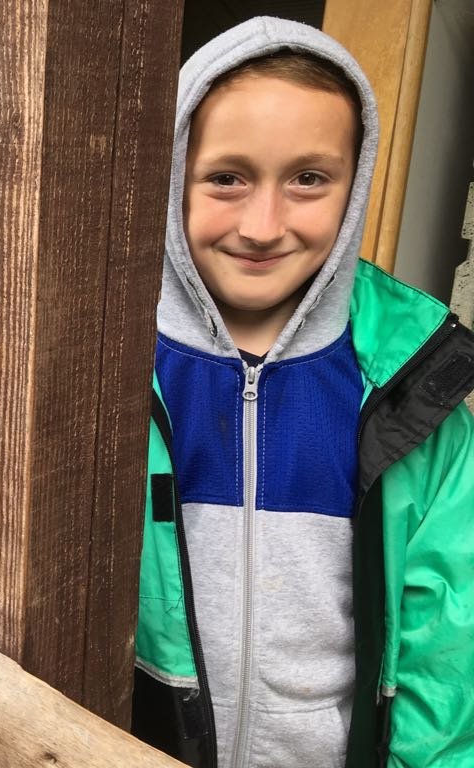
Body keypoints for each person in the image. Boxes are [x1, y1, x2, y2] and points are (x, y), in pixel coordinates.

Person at [133, 16, 474, 768]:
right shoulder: (112, 365)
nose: (263, 226)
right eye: (227, 177)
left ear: (357, 185)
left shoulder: (409, 387)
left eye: (309, 180)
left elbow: (452, 656)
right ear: (172, 170)